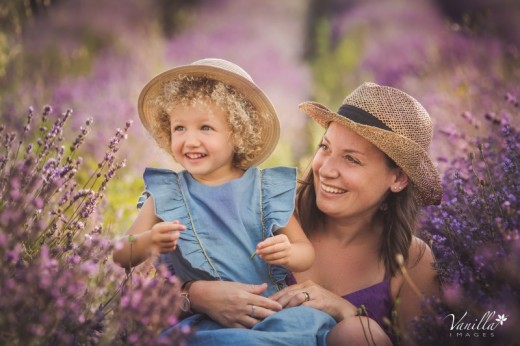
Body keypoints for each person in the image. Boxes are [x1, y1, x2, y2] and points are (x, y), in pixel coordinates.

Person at [183, 82, 443, 345]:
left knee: (360, 332)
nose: (327, 169)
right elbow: (152, 279)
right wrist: (197, 295)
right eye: (325, 147)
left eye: (351, 159)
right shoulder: (270, 213)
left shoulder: (411, 260)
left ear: (398, 178)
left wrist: (345, 311)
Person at [113, 58, 336, 345]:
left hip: (270, 312)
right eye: (179, 128)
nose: (190, 140)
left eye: (205, 128)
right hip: (207, 320)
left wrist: (288, 253)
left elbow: (306, 251)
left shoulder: (263, 190)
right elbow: (119, 254)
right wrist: (149, 241)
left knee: (307, 327)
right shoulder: (167, 193)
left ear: (238, 134)